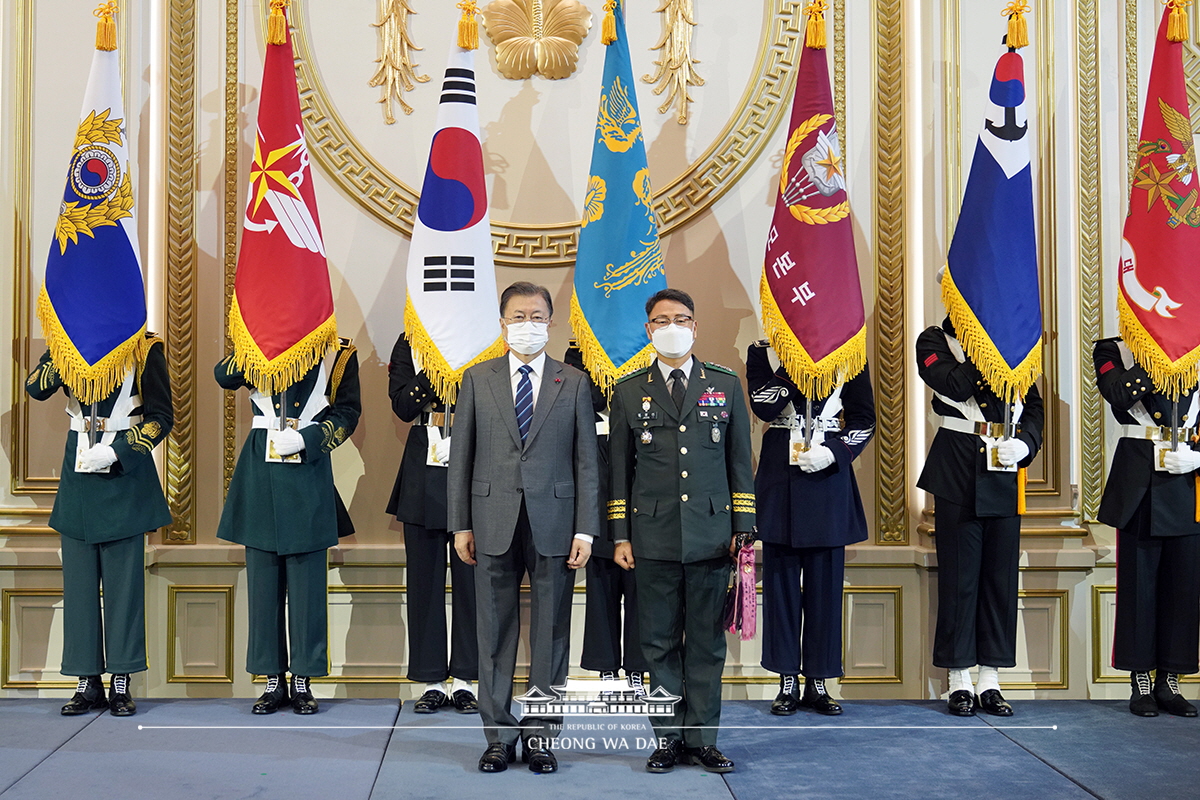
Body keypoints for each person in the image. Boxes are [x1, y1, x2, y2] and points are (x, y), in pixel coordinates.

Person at [448, 282, 600, 774]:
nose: (528, 324)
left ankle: (540, 736)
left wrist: (586, 530)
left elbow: (586, 463)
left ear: (551, 322)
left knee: (552, 634)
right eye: (518, 316)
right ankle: (498, 736)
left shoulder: (573, 382)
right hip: (490, 522)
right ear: (502, 322)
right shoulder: (476, 379)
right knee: (493, 634)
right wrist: (460, 524)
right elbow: (461, 459)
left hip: (557, 525)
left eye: (537, 316)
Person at [609, 288, 755, 774]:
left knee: (708, 644)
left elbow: (739, 464)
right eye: (661, 320)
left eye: (682, 318)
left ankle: (703, 738)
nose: (672, 327)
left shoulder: (726, 384)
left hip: (713, 536)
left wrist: (745, 528)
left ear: (695, 326)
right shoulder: (629, 390)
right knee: (658, 643)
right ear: (648, 330)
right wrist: (620, 534)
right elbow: (618, 473)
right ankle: (668, 737)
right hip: (652, 537)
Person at [27, 334, 173, 717]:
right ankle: (86, 680)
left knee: (124, 589)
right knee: (79, 590)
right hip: (79, 479)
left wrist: (119, 450)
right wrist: (66, 355)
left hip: (123, 478)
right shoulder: (65, 345)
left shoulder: (145, 348)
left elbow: (162, 418)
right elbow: (35, 388)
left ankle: (121, 679)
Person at [216, 338, 361, 715]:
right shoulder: (256, 344)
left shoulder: (337, 352)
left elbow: (347, 414)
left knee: (308, 587)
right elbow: (223, 375)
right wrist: (255, 345)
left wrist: (308, 438)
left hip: (307, 469)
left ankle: (302, 678)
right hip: (260, 472)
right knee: (262, 587)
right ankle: (270, 678)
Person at [916, 316, 1043, 717]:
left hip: (1004, 467)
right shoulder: (934, 341)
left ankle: (990, 677)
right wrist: (985, 348)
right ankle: (959, 678)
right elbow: (954, 384)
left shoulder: (1014, 345)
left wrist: (1026, 445)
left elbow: (1034, 406)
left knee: (999, 579)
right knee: (960, 579)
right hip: (957, 466)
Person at [747, 340, 875, 716]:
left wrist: (835, 452)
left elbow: (864, 419)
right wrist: (798, 363)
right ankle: (786, 678)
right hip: (779, 476)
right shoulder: (764, 352)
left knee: (825, 590)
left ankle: (818, 680)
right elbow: (764, 405)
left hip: (827, 474)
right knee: (781, 589)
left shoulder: (849, 351)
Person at [1093, 337, 1200, 717]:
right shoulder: (1112, 351)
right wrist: (1160, 356)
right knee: (1139, 589)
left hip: (1186, 482)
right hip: (1138, 482)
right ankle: (1140, 679)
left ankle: (1170, 680)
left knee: (1183, 589)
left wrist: (1197, 457)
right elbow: (1119, 395)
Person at [385, 333, 478, 714]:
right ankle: (432, 679)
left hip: (475, 460)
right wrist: (435, 370)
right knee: (424, 580)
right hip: (424, 461)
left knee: (473, 581)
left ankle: (466, 679)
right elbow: (403, 407)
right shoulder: (410, 343)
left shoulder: (485, 337)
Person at [564, 342, 648, 698]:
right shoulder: (578, 350)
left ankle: (637, 671)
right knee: (601, 578)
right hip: (595, 453)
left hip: (642, 456)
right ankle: (606, 670)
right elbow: (589, 398)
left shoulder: (646, 346)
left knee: (641, 584)